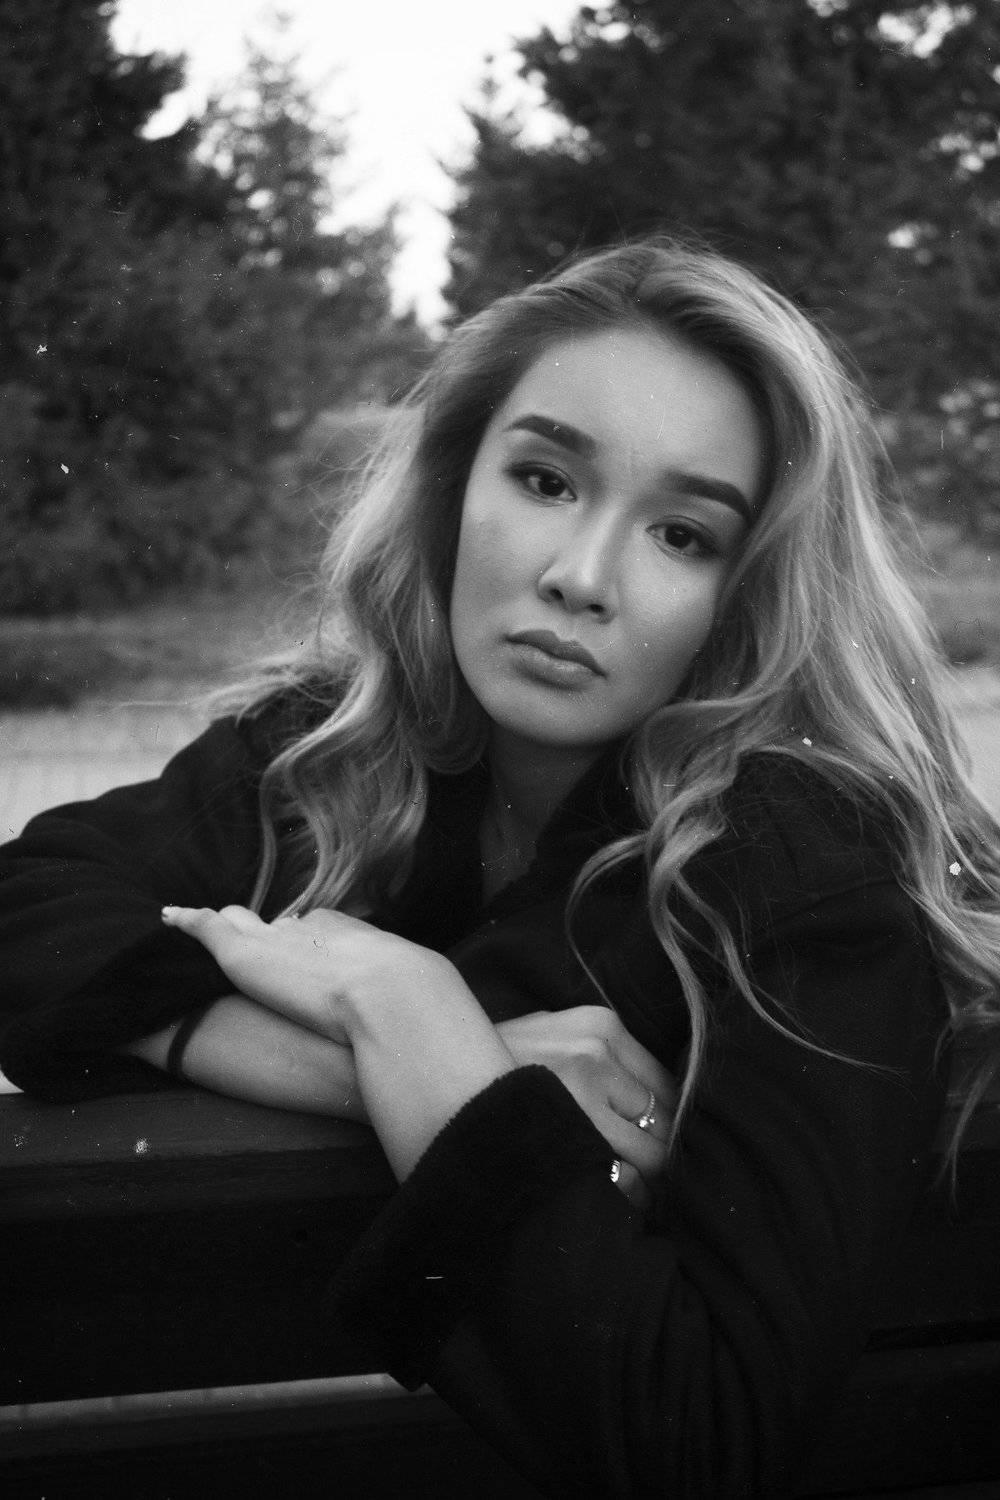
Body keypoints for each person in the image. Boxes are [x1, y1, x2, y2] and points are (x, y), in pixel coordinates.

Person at [2, 237, 1000, 1498]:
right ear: (449, 484)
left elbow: (704, 1438)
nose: (577, 578)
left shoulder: (793, 866)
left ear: (756, 593)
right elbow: (26, 904)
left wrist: (401, 996)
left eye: (682, 534)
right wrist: (401, 1055)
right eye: (544, 479)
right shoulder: (334, 748)